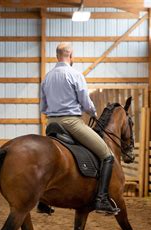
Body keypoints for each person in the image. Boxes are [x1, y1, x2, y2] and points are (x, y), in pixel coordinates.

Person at [40, 42, 119, 215]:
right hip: (71, 123)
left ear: (57, 56)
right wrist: (93, 112)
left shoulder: (47, 78)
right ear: (70, 55)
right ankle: (102, 199)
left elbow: (42, 108)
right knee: (107, 155)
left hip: (51, 124)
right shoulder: (75, 74)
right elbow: (85, 102)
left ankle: (41, 199)